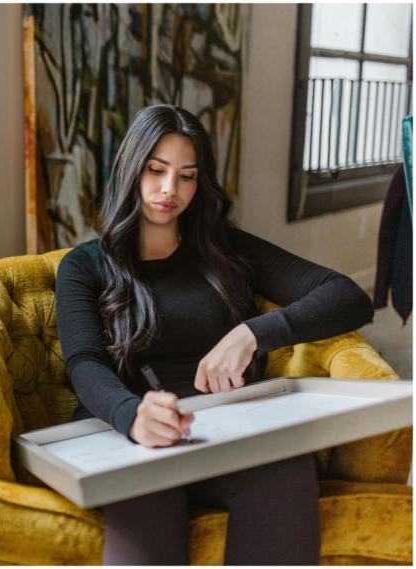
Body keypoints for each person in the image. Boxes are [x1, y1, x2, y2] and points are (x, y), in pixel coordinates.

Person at [55, 104, 374, 565]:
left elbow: (347, 296)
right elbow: (84, 362)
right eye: (156, 170)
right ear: (131, 169)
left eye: (187, 176)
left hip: (230, 428)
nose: (170, 189)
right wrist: (131, 415)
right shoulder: (85, 265)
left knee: (286, 473)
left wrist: (251, 334)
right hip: (130, 435)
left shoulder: (225, 248)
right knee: (146, 504)